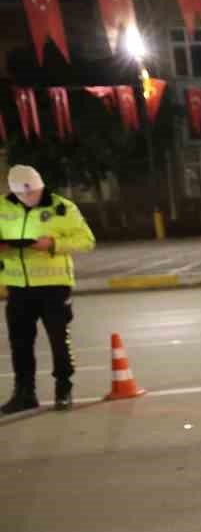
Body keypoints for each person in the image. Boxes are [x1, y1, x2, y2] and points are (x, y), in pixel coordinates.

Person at [1, 165, 95, 413]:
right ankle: (24, 393)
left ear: (41, 186)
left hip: (54, 287)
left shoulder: (61, 207)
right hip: (17, 287)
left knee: (58, 339)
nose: (28, 198)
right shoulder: (2, 207)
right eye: (22, 194)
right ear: (13, 192)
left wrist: (53, 243)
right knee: (19, 343)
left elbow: (87, 240)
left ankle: (63, 389)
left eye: (32, 193)